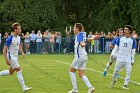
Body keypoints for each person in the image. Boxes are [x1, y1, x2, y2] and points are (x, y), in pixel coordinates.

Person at [0, 23, 32, 91]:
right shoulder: (10, 38)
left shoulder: (19, 37)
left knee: (10, 72)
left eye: (20, 29)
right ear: (15, 30)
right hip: (11, 57)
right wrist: (6, 60)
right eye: (19, 29)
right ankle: (24, 88)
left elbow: (19, 46)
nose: (21, 30)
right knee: (19, 70)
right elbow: (4, 50)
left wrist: (22, 53)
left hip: (15, 57)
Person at [68, 23, 95, 93]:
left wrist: (83, 44)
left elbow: (82, 43)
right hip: (84, 57)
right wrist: (91, 39)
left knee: (71, 71)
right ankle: (90, 87)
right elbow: (87, 40)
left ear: (77, 29)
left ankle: (75, 89)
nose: (73, 29)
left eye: (74, 28)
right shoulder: (83, 34)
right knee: (81, 74)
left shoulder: (79, 35)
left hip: (79, 57)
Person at [110, 25, 136, 89]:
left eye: (126, 29)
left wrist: (132, 60)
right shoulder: (120, 39)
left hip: (128, 59)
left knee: (128, 72)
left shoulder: (132, 40)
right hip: (120, 58)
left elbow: (133, 51)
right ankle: (114, 80)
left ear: (130, 31)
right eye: (125, 29)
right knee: (115, 72)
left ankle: (125, 85)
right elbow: (116, 48)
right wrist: (113, 55)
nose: (125, 31)